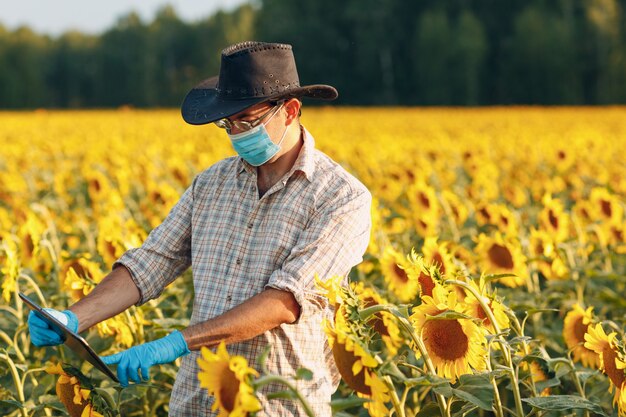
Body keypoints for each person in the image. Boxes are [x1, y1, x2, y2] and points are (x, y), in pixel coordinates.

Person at [28, 41, 372, 416]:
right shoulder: (211, 185)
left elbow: (286, 301)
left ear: (290, 111)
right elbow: (152, 262)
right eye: (228, 124)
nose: (237, 133)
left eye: (248, 122)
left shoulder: (341, 198)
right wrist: (75, 317)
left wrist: (178, 342)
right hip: (197, 402)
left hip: (277, 404)